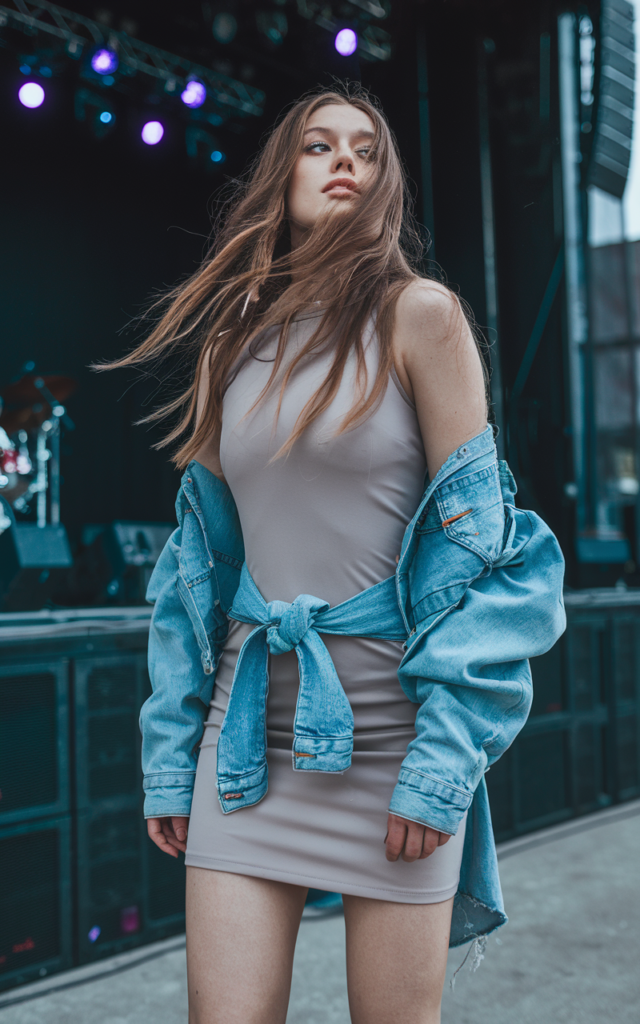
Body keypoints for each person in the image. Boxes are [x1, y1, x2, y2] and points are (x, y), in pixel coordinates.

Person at [103, 85, 565, 1024]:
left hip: (395, 737)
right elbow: (193, 572)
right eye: (318, 145)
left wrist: (442, 767)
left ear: (385, 188)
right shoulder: (234, 341)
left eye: (365, 149)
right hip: (244, 743)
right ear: (284, 178)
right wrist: (168, 751)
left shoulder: (420, 318)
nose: (345, 159)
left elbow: (498, 561)